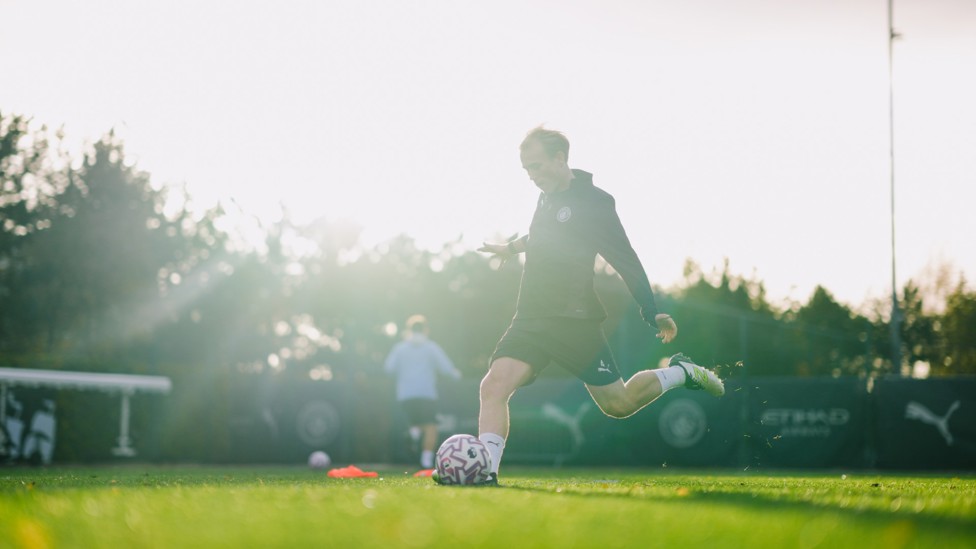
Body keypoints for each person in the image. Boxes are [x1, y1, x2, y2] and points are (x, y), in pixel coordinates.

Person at [473, 126, 725, 486]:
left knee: (618, 404)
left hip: (574, 322)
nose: (532, 176)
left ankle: (681, 372)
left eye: (538, 166)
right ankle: (484, 473)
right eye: (526, 169)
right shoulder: (545, 196)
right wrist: (511, 248)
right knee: (493, 386)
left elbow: (624, 256)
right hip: (529, 318)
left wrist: (649, 309)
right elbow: (545, 235)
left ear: (561, 159)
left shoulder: (596, 203)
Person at [384, 314, 461, 469]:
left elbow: (388, 368)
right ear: (425, 330)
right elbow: (447, 368)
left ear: (409, 330)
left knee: (418, 422)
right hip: (426, 394)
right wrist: (456, 375)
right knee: (431, 426)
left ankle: (413, 433)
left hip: (405, 396)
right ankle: (426, 460)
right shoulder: (431, 347)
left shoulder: (400, 348)